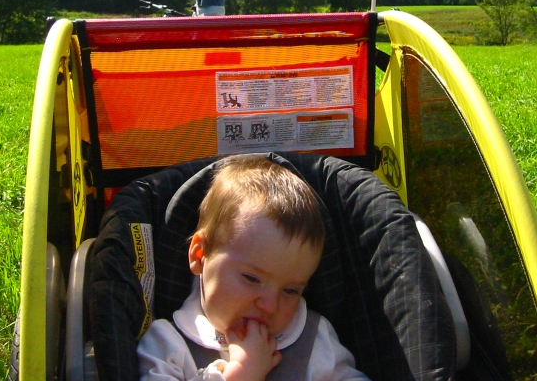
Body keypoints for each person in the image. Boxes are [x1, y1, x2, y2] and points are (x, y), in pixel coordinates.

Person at [136, 154, 370, 381]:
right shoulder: (168, 345)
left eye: (290, 291)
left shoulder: (313, 337)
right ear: (200, 255)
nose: (269, 306)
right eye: (251, 278)